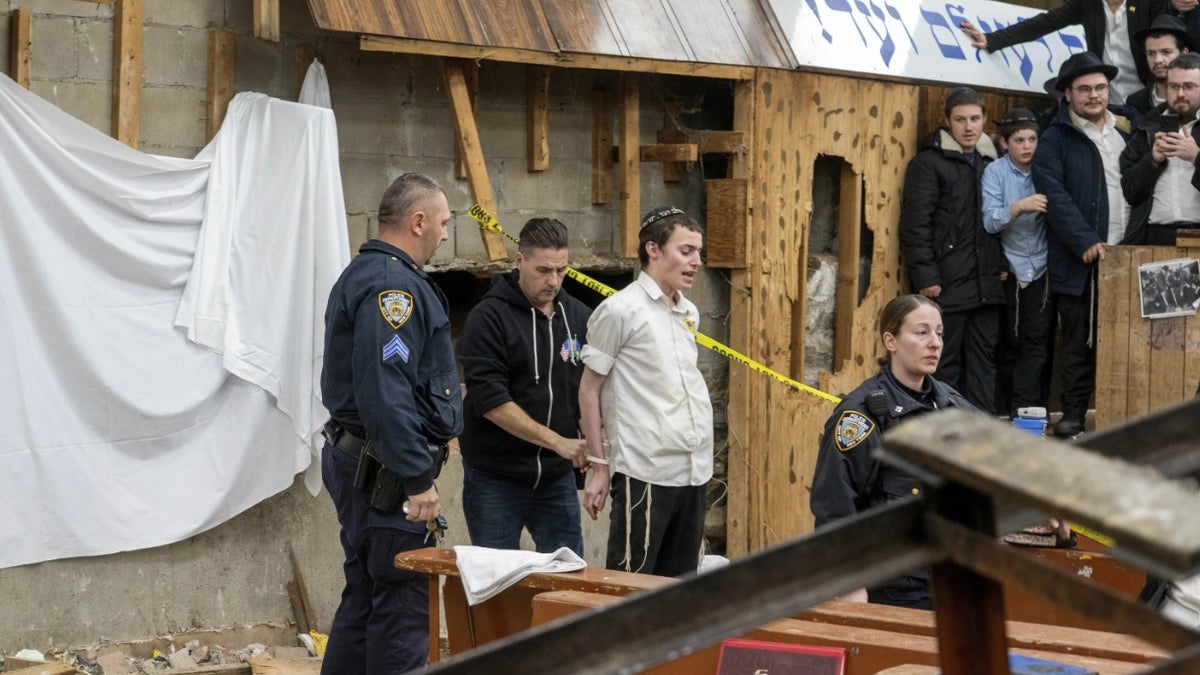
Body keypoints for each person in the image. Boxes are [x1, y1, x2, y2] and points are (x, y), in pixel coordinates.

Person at [319, 173, 462, 674]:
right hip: (386, 476)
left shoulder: (371, 273)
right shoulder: (393, 287)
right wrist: (417, 477)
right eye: (443, 223)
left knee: (365, 599)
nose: (445, 234)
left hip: (366, 460)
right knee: (401, 609)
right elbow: (385, 389)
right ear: (418, 221)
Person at [810, 294, 974, 609]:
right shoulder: (862, 416)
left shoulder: (951, 404)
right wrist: (849, 581)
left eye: (939, 333)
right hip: (894, 588)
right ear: (891, 341)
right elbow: (834, 505)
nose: (935, 343)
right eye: (921, 332)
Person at [578, 206, 713, 578]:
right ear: (653, 250)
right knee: (631, 585)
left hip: (693, 468)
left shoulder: (688, 311)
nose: (696, 261)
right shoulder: (620, 310)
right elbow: (589, 390)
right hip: (646, 470)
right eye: (685, 251)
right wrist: (600, 465)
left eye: (698, 252)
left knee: (681, 589)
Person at [456, 218, 591, 556]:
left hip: (556, 479)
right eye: (544, 270)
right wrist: (558, 442)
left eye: (561, 270)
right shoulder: (488, 319)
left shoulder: (577, 316)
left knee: (569, 578)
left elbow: (590, 386)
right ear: (520, 261)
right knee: (497, 583)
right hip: (495, 477)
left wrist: (591, 436)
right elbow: (491, 402)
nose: (554, 281)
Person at [1033, 51, 1147, 437]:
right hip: (1081, 256)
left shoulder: (1129, 129)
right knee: (1080, 340)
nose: (1094, 95)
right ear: (1068, 94)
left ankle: (1127, 416)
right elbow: (1053, 194)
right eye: (1084, 89)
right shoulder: (1055, 137)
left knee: (1132, 337)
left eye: (1100, 87)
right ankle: (1075, 413)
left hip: (1130, 251)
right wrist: (1084, 239)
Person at [898, 87, 1006, 414]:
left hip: (987, 283)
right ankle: (946, 436)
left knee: (985, 361)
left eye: (975, 119)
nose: (968, 127)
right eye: (960, 120)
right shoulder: (929, 163)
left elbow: (1000, 219)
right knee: (944, 360)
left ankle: (983, 435)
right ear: (947, 122)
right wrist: (926, 276)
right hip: (947, 281)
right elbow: (915, 225)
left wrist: (1001, 263)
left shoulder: (994, 163)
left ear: (985, 120)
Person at [958, 0, 1173, 104]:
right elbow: (1046, 22)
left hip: (1147, 97)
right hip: (1106, 100)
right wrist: (993, 39)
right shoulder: (1088, 4)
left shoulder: (1151, 2)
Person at [983, 108, 1054, 416]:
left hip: (1042, 265)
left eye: (1033, 139)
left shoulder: (1046, 167)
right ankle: (1010, 408)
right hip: (1009, 266)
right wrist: (1019, 207)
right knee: (1010, 340)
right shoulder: (995, 172)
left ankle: (1028, 411)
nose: (1027, 146)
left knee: (1037, 341)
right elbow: (989, 221)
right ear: (1004, 143)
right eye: (1020, 140)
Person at [1121, 52, 1200, 246]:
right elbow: (1130, 192)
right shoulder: (1145, 127)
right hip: (1156, 238)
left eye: (1189, 86)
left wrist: (1196, 157)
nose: (1180, 93)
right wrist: (1152, 161)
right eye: (1173, 86)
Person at [1127, 14, 1195, 114]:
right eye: (1151, 53)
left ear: (1184, 53)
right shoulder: (1136, 103)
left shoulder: (1196, 98)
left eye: (1166, 52)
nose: (1157, 60)